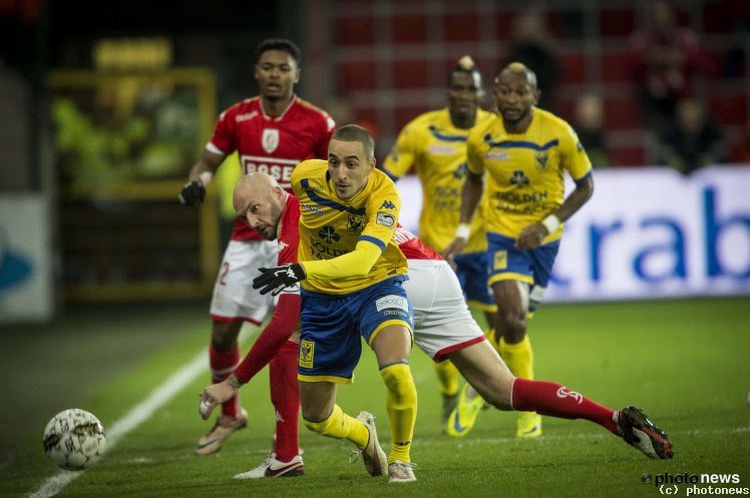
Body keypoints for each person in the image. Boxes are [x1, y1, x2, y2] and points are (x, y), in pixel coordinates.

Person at [199, 172, 674, 483]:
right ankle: (612, 419)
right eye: (243, 217)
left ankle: (386, 456)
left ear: (278, 194)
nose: (252, 221)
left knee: (310, 346)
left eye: (256, 209)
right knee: (502, 391)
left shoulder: (296, 224)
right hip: (435, 274)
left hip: (393, 279)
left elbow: (284, 317)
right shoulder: (319, 189)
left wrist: (233, 382)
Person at [178, 38, 335, 459]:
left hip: (296, 235)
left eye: (282, 68)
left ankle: (288, 441)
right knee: (223, 329)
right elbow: (208, 162)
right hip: (249, 239)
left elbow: (339, 175)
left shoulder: (318, 123)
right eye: (267, 66)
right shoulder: (236, 116)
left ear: (295, 74)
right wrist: (199, 183)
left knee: (292, 333)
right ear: (256, 71)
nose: (274, 74)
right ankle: (231, 413)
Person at [251, 125, 419, 483]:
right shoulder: (304, 178)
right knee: (315, 418)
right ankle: (364, 434)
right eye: (334, 162)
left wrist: (297, 269)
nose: (340, 174)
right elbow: (287, 215)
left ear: (371, 164)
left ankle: (401, 458)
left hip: (376, 284)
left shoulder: (384, 194)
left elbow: (361, 262)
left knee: (396, 371)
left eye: (352, 164)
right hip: (322, 300)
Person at [443, 62, 595, 439]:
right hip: (502, 237)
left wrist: (545, 225)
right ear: (494, 94)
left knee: (514, 324)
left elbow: (586, 186)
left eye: (520, 92)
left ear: (535, 96)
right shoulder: (482, 137)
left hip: (544, 240)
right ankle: (529, 411)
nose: (511, 100)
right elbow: (474, 181)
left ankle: (478, 385)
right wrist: (464, 230)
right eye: (505, 92)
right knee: (513, 317)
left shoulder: (558, 133)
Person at [382, 55, 496, 428]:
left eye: (471, 89)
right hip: (435, 250)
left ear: (481, 94)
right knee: (436, 329)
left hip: (486, 241)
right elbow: (387, 178)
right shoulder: (421, 130)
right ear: (449, 92)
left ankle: (486, 385)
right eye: (458, 89)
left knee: (504, 322)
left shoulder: (496, 129)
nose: (464, 96)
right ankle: (451, 391)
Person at [626, 0, 707, 129]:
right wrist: (649, 57)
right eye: (657, 14)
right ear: (651, 17)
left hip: (682, 95)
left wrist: (682, 57)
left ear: (672, 15)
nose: (661, 19)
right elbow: (629, 66)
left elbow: (704, 63)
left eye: (665, 14)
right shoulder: (641, 38)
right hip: (652, 98)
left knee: (689, 109)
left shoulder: (685, 36)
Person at [657, 97, 724, 175]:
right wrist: (680, 165)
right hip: (676, 178)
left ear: (700, 116)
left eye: (693, 118)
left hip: (708, 175)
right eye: (686, 118)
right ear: (679, 117)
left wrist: (701, 164)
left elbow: (719, 152)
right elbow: (665, 155)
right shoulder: (669, 133)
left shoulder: (712, 132)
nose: (690, 118)